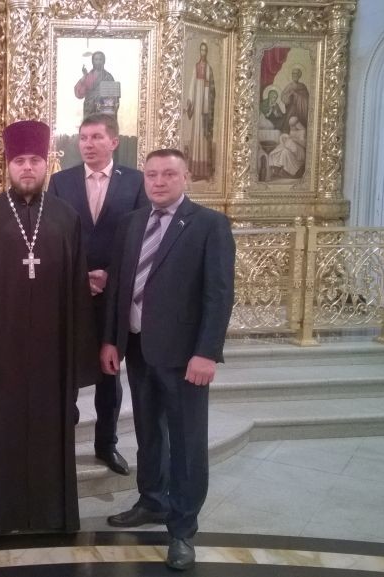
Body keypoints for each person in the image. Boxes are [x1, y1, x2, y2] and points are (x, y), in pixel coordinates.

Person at [0, 120, 97, 535]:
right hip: (1, 351)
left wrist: (76, 353)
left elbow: (78, 290)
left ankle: (50, 512)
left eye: (34, 161)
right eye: (19, 161)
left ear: (46, 164)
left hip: (52, 351)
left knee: (49, 429)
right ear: (7, 165)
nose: (27, 168)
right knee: (1, 428)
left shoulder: (66, 217)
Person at [100, 149, 234, 571]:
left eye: (168, 174)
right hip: (139, 349)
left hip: (185, 356)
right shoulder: (131, 223)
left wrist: (206, 353)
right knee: (148, 433)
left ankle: (182, 530)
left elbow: (218, 294)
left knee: (187, 443)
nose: (158, 182)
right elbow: (120, 288)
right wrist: (112, 341)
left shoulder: (209, 224)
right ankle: (152, 500)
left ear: (185, 177)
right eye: (152, 174)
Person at [47, 113, 146, 476]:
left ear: (113, 142)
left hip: (114, 295)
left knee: (109, 373)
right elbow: (52, 235)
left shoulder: (135, 182)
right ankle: (61, 445)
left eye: (96, 137)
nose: (87, 144)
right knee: (68, 370)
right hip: (71, 295)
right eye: (83, 137)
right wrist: (78, 277)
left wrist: (112, 274)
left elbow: (141, 236)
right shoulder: (61, 182)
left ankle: (107, 444)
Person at [184, 42, 215, 181]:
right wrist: (190, 101)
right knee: (197, 134)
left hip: (206, 108)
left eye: (205, 50)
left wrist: (207, 102)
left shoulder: (209, 68)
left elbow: (213, 89)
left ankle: (205, 171)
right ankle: (196, 171)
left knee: (204, 135)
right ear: (199, 51)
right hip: (197, 106)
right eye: (201, 50)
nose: (203, 53)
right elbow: (192, 84)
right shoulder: (196, 67)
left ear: (207, 52)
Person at [74, 51, 116, 119]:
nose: (98, 62)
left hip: (102, 112)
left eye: (100, 59)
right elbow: (79, 94)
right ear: (92, 61)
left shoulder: (108, 77)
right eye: (96, 59)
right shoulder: (88, 76)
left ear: (104, 61)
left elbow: (113, 98)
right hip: (89, 110)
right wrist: (84, 76)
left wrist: (106, 112)